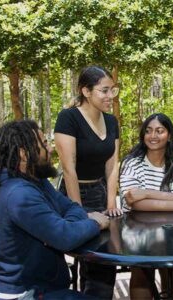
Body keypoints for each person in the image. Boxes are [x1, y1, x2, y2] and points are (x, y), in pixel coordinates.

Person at [0, 120, 110, 300]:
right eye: (44, 143)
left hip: (44, 287)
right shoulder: (19, 194)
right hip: (24, 294)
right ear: (23, 153)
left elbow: (70, 207)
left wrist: (64, 226)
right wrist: (94, 223)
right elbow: (64, 237)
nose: (51, 148)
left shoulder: (36, 180)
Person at [54, 65, 123, 299]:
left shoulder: (112, 121)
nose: (110, 96)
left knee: (104, 259)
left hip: (100, 191)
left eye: (112, 90)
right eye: (104, 91)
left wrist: (111, 202)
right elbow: (68, 168)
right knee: (86, 252)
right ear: (86, 91)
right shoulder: (68, 117)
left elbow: (113, 165)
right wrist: (78, 210)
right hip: (72, 193)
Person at [119, 113, 173, 299]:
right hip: (137, 231)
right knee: (141, 270)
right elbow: (134, 203)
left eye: (159, 131)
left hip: (171, 231)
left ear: (169, 135)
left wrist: (146, 193)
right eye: (148, 131)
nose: (152, 136)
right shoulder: (133, 163)